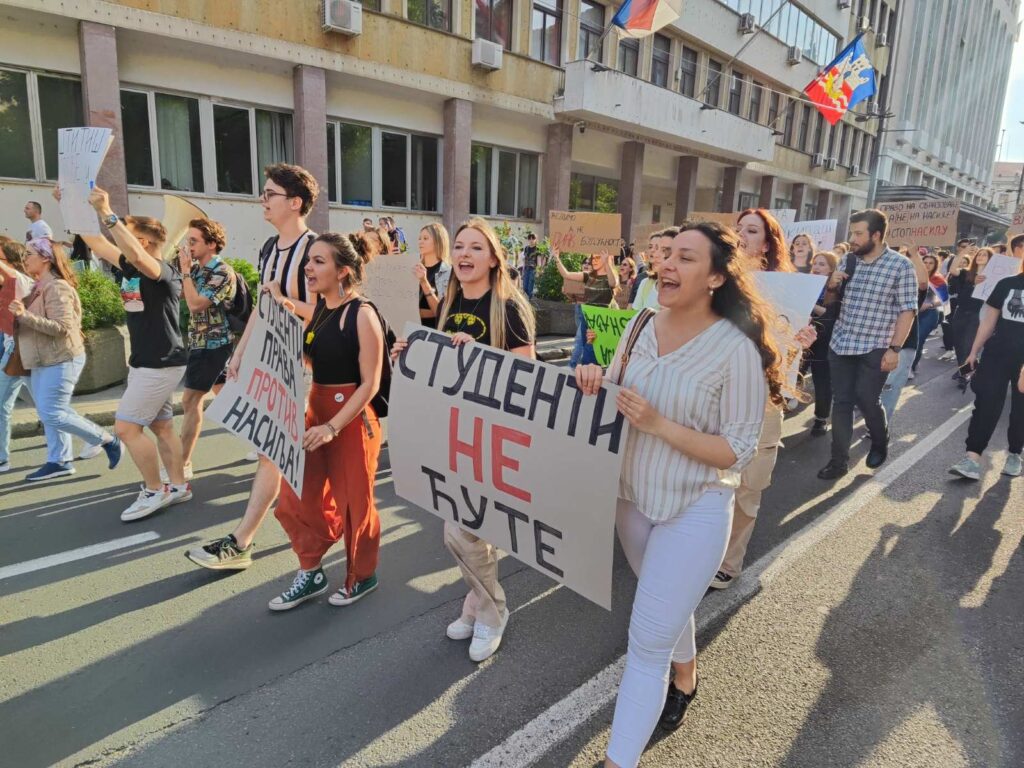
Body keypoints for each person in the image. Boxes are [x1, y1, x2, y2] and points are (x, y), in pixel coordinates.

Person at [575, 221, 783, 767]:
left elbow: (737, 449)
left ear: (715, 276)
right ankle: (687, 675)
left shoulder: (736, 350)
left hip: (695, 507)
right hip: (631, 498)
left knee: (645, 643)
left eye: (685, 258)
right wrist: (595, 378)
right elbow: (618, 389)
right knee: (662, 597)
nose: (667, 264)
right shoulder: (641, 321)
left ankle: (620, 760)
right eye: (666, 255)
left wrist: (659, 424)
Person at [393, 218, 535, 662]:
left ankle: (492, 611)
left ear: (494, 258)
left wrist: (480, 358)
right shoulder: (451, 302)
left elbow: (525, 379)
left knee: (464, 530)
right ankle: (475, 604)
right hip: (453, 436)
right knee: (466, 531)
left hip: (492, 439)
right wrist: (412, 354)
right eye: (460, 246)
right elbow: (442, 371)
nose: (467, 254)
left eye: (477, 247)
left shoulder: (508, 309)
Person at [186, 163, 320, 570]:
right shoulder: (268, 248)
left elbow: (331, 313)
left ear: (295, 203)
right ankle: (248, 541)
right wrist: (241, 354)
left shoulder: (315, 250)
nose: (262, 201)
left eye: (270, 195)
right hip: (272, 363)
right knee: (274, 452)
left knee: (284, 454)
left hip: (309, 367)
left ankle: (246, 542)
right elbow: (264, 307)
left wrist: (286, 302)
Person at [268, 232, 386, 610]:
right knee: (294, 496)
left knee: (355, 503)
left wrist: (332, 426)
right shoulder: (319, 307)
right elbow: (313, 360)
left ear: (343, 271)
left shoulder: (362, 313)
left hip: (350, 420)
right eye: (309, 260)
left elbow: (370, 383)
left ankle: (362, 575)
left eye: (319, 261)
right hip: (315, 414)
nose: (309, 267)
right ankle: (311, 569)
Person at [712, 208, 810, 589]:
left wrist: (803, 341)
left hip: (766, 398)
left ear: (768, 242)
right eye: (737, 229)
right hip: (720, 393)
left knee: (749, 484)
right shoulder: (718, 282)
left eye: (751, 230)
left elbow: (789, 342)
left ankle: (729, 561)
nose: (741, 235)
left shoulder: (790, 290)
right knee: (713, 479)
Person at [76, 188, 189, 517]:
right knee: (163, 426)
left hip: (159, 363)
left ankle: (155, 490)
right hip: (149, 362)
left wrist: (108, 213)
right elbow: (96, 243)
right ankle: (178, 484)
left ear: (148, 242)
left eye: (128, 234)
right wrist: (72, 205)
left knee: (125, 429)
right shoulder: (132, 267)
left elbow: (137, 256)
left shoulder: (161, 270)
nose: (119, 239)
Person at [3, 238, 121, 480]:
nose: (24, 258)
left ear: (45, 258)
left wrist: (24, 316)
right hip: (42, 359)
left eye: (29, 254)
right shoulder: (39, 285)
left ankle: (106, 439)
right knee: (53, 411)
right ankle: (60, 461)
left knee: (51, 412)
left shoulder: (57, 287)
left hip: (61, 358)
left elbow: (63, 327)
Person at [817, 209, 918, 480]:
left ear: (876, 235)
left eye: (859, 233)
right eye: (852, 233)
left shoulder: (901, 265)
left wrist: (895, 349)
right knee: (842, 402)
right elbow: (829, 305)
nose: (853, 238)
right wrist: (831, 286)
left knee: (866, 399)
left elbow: (907, 310)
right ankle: (838, 462)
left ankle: (879, 438)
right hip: (841, 343)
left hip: (876, 346)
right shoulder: (848, 261)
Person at [172, 218, 237, 482]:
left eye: (194, 240)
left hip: (213, 345)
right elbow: (179, 295)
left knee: (190, 401)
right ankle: (263, 443)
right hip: (199, 343)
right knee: (230, 398)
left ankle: (183, 463)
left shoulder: (221, 271)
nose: (189, 246)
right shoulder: (198, 269)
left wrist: (186, 272)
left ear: (211, 244)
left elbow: (197, 304)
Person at [949, 257, 1024, 480]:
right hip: (997, 354)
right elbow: (989, 321)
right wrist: (974, 352)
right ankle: (972, 458)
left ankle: (1014, 453)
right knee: (986, 402)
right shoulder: (1007, 284)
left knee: (1021, 408)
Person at [879, 250, 929, 422]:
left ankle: (880, 425)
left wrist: (914, 255)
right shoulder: (881, 287)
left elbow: (923, 283)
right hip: (877, 343)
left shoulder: (913, 291)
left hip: (902, 346)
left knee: (889, 388)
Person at [0, 238, 35, 473]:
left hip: (25, 351)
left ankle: (101, 439)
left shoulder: (22, 281)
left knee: (52, 409)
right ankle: (2, 457)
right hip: (13, 350)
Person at [558, 250, 618, 369]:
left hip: (602, 319)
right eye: (592, 258)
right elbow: (566, 274)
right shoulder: (588, 276)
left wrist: (607, 262)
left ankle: (595, 375)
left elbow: (613, 282)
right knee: (586, 348)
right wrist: (556, 258)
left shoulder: (611, 275)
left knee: (594, 351)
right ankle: (587, 373)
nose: (593, 261)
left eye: (597, 258)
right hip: (588, 317)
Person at [807, 251, 841, 436]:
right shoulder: (807, 283)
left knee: (822, 382)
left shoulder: (834, 288)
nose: (816, 267)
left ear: (831, 268)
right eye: (815, 263)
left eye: (822, 264)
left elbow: (831, 315)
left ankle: (821, 419)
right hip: (802, 337)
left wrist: (810, 304)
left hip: (823, 342)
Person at [949, 247, 991, 384]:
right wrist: (963, 252)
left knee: (968, 344)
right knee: (958, 343)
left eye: (984, 255)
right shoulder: (966, 273)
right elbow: (952, 269)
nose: (981, 256)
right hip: (961, 312)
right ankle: (969, 368)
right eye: (979, 254)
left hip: (978, 314)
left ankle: (964, 374)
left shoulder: (992, 276)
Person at [910, 252, 947, 379]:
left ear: (935, 265)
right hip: (911, 313)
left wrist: (930, 304)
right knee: (907, 341)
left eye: (931, 263)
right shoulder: (912, 276)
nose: (927, 265)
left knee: (918, 340)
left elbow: (944, 299)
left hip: (929, 314)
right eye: (925, 262)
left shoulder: (938, 279)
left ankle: (911, 367)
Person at [413, 223, 452, 330]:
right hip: (409, 331)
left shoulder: (448, 272)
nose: (420, 241)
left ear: (438, 241)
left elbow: (442, 312)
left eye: (426, 238)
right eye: (419, 238)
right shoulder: (413, 268)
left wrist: (424, 282)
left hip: (433, 332)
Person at [521, 232, 541, 299]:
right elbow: (524, 260)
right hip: (526, 269)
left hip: (533, 269)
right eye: (529, 238)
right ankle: (526, 302)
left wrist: (538, 271)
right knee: (524, 287)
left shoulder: (537, 249)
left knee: (530, 288)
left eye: (533, 238)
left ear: (536, 239)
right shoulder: (526, 248)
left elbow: (539, 260)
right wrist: (523, 270)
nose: (531, 240)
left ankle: (529, 302)